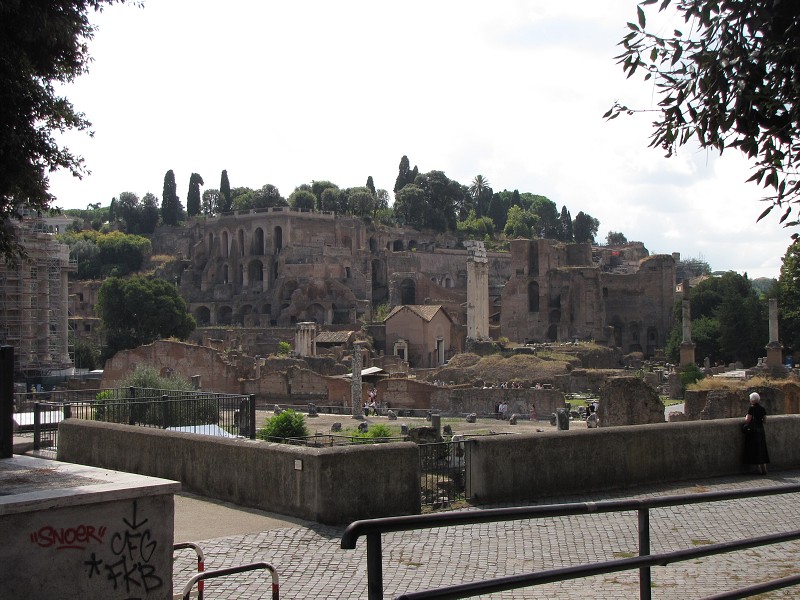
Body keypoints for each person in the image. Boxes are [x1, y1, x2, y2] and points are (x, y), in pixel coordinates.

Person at [743, 392, 769, 475]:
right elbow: (764, 420)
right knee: (762, 449)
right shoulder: (762, 408)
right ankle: (764, 468)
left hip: (753, 432)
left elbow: (747, 420)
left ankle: (759, 469)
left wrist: (746, 417)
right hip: (761, 431)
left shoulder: (751, 408)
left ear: (752, 400)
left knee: (755, 450)